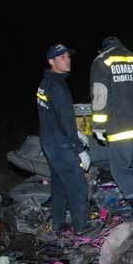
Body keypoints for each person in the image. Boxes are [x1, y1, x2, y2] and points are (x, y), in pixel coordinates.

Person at [89, 36, 133, 217]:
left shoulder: (103, 61)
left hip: (120, 127)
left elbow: (100, 95)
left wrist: (99, 126)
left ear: (103, 49)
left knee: (119, 168)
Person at [37, 43, 91, 234]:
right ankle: (82, 229)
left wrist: (73, 132)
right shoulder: (58, 88)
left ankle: (58, 225)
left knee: (59, 186)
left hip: (49, 142)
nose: (67, 60)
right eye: (61, 57)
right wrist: (79, 150)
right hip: (61, 146)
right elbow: (67, 121)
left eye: (68, 56)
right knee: (78, 188)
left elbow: (53, 116)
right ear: (51, 61)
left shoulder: (45, 84)